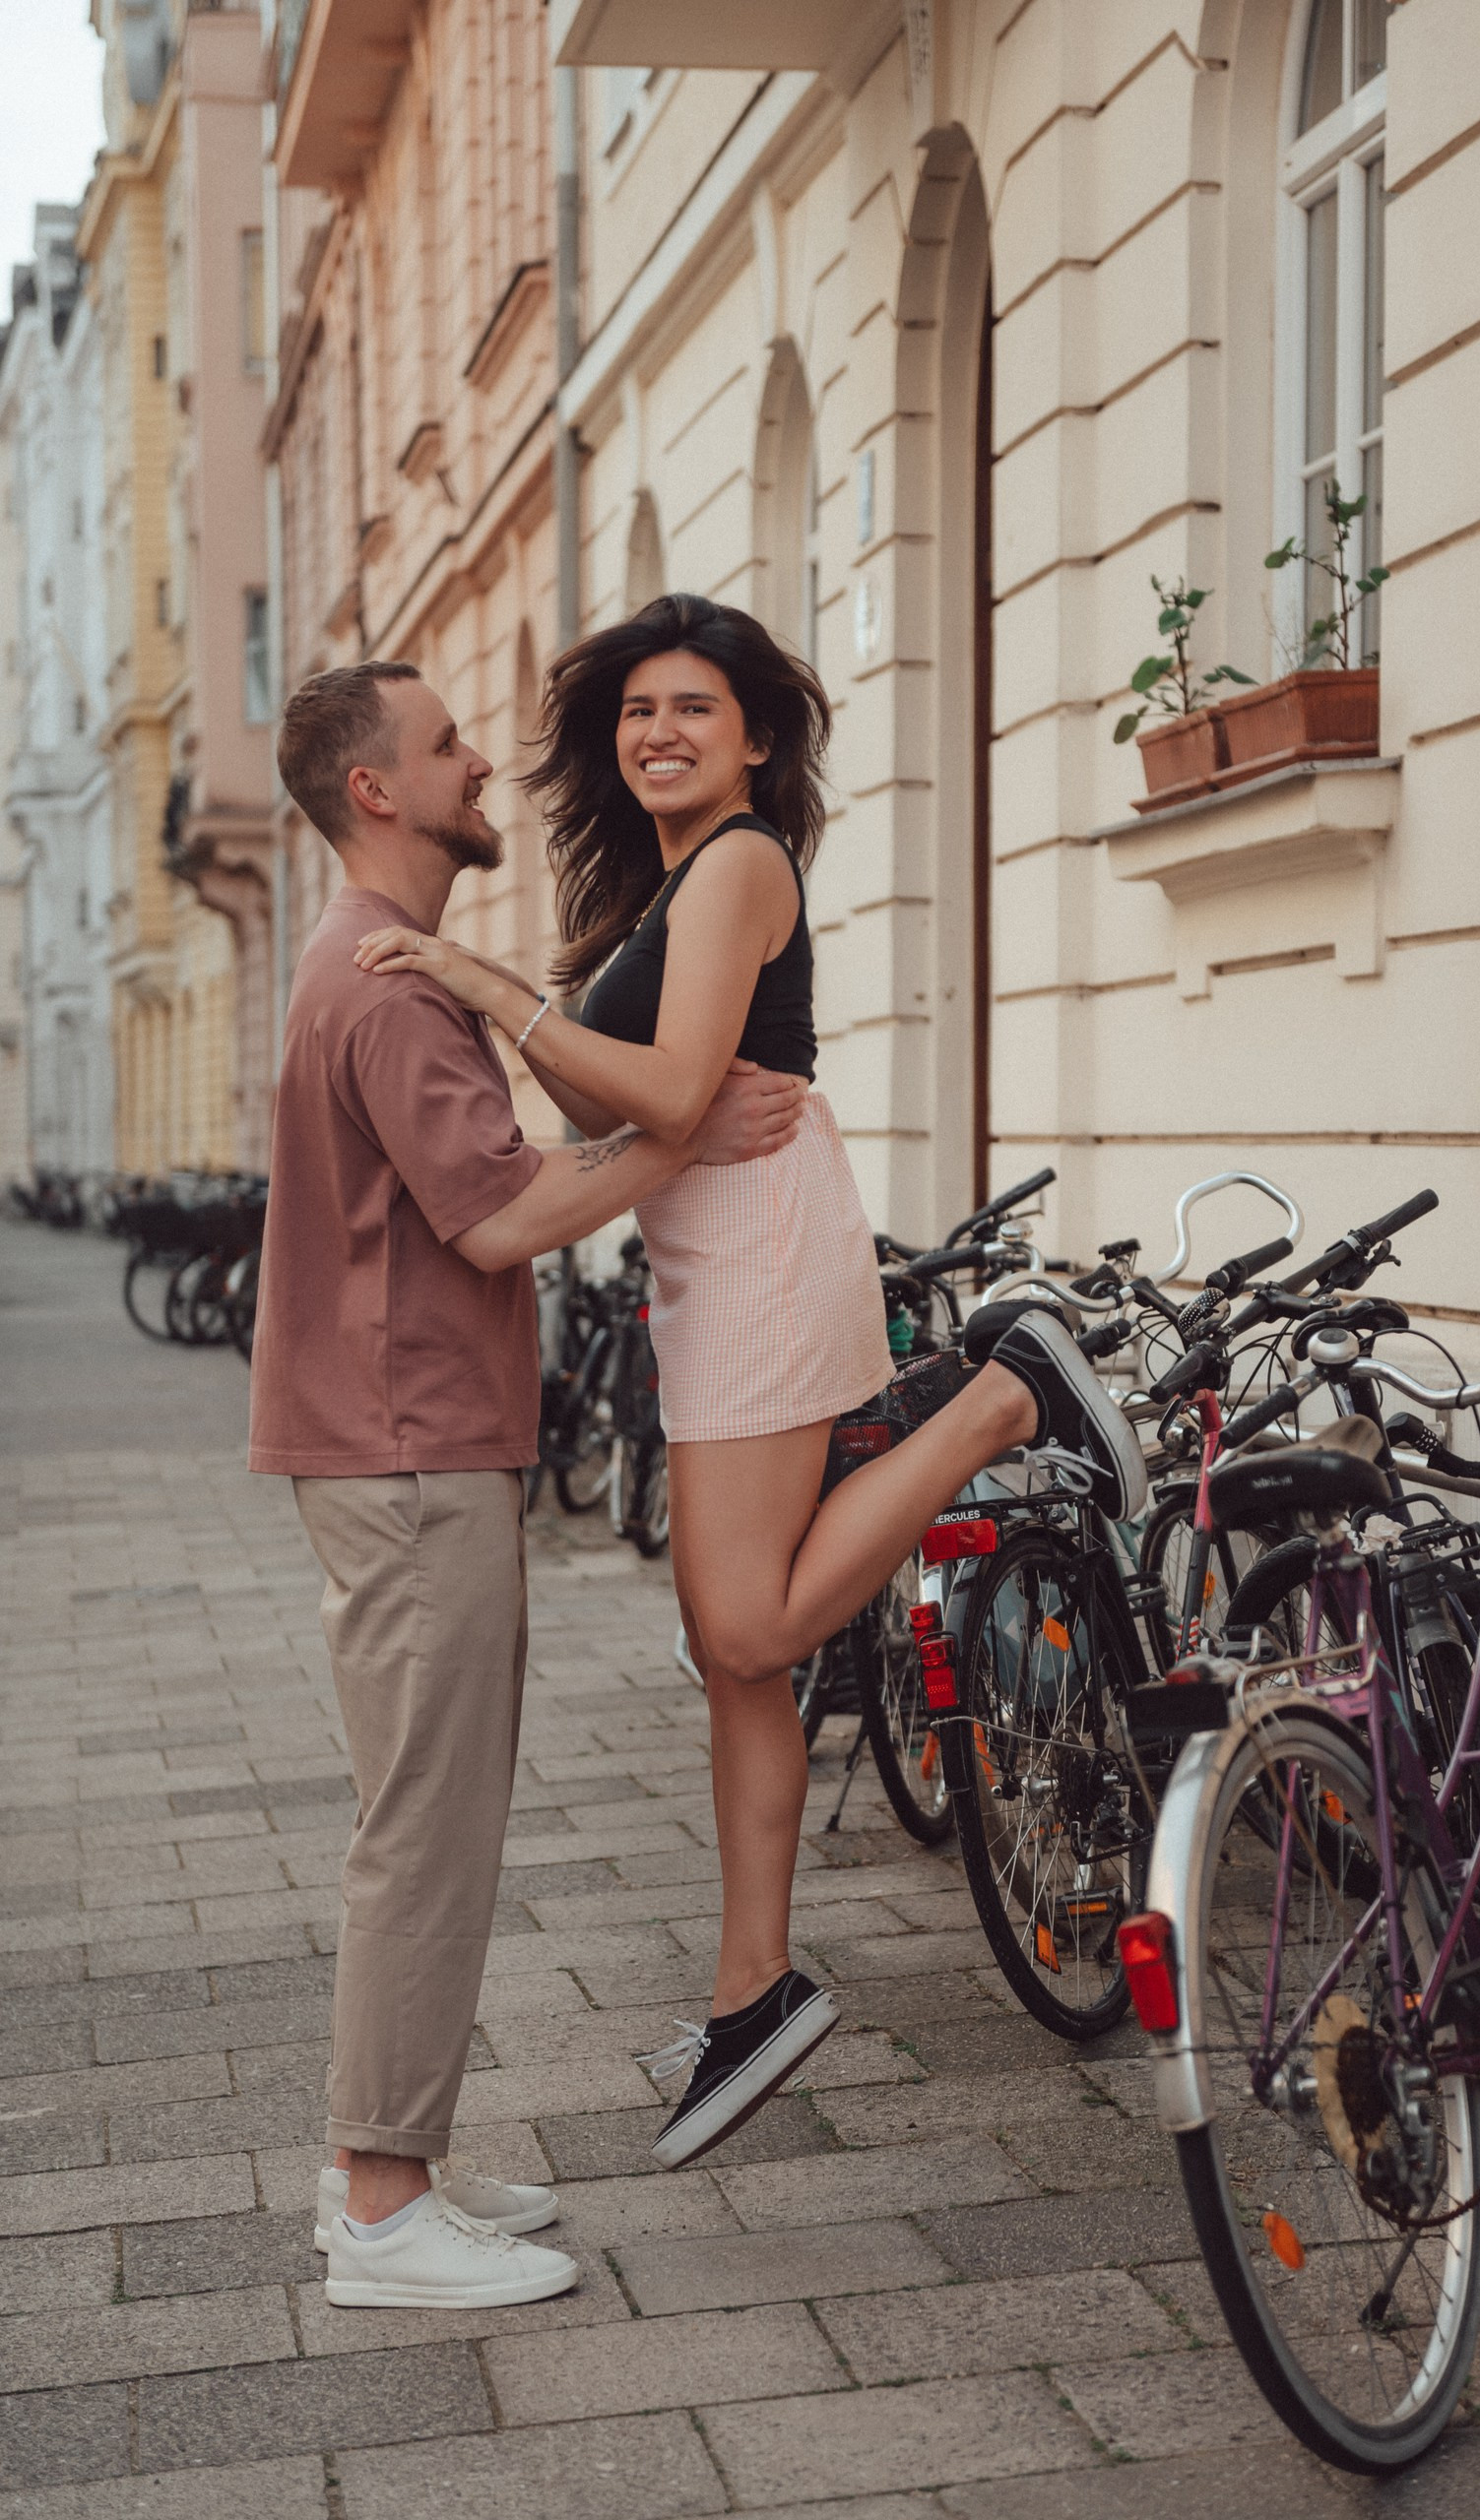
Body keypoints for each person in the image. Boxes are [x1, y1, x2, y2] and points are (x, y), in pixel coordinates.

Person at [353, 595, 1138, 2168]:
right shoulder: (666, 884)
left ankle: (1001, 1397)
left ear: (756, 736)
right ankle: (754, 1989)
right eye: (639, 709)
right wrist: (550, 1027)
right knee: (736, 1664)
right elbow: (626, 1091)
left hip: (764, 1245)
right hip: (712, 1252)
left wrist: (486, 988)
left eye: (693, 709)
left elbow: (667, 1089)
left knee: (749, 1621)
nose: (658, 732)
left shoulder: (739, 865)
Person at [250, 658, 806, 2308]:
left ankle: (392, 2155)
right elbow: (497, 1215)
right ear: (375, 792)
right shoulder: (386, 983)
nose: (479, 760)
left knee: (419, 1815)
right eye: (444, 749)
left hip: (399, 1439)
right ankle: (379, 2207)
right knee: (423, 1831)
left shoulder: (371, 965)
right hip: (410, 1447)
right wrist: (685, 1132)